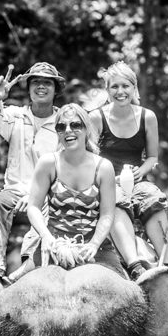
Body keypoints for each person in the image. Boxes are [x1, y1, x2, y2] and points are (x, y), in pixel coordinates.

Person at [0, 61, 65, 294]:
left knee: (52, 210)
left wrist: (37, 195)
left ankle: (26, 270)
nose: (41, 87)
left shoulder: (64, 123)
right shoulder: (15, 116)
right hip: (14, 192)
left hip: (50, 195)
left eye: (47, 82)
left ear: (56, 89)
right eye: (36, 82)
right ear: (29, 88)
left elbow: (67, 165)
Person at [88, 62, 168, 279]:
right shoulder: (96, 117)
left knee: (153, 198)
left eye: (125, 86)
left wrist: (140, 172)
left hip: (137, 176)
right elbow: (90, 158)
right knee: (116, 201)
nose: (120, 92)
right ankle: (134, 264)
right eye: (114, 87)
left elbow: (153, 157)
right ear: (107, 90)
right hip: (106, 180)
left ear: (134, 88)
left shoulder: (147, 116)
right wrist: (108, 178)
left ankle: (164, 261)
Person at [26, 103, 122, 274]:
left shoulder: (104, 167)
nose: (68, 130)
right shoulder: (48, 163)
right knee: (17, 288)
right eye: (61, 127)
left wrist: (94, 243)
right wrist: (46, 237)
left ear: (87, 129)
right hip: (54, 242)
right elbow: (33, 207)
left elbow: (107, 214)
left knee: (128, 290)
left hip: (94, 245)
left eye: (75, 125)